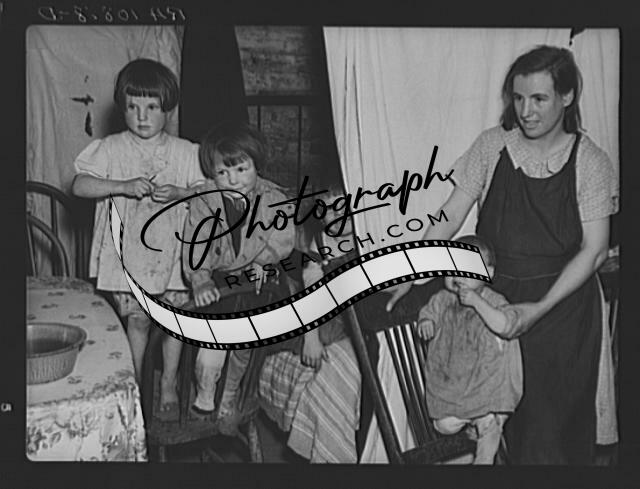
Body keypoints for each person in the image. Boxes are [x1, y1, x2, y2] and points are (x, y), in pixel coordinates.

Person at [385, 45, 618, 464]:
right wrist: (412, 272)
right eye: (519, 97)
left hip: (561, 313)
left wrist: (537, 310)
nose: (526, 111)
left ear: (567, 96)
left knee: (549, 445)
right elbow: (450, 214)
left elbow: (595, 251)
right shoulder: (493, 146)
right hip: (491, 306)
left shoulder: (591, 162)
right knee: (491, 433)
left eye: (539, 98)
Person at [71, 58, 205, 418]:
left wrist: (180, 192)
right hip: (130, 254)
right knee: (139, 320)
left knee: (175, 321)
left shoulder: (186, 152)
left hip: (173, 252)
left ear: (168, 109)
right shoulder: (111, 148)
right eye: (133, 107)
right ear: (122, 107)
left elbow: (210, 193)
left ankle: (169, 383)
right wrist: (122, 186)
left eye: (152, 107)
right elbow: (79, 185)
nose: (142, 117)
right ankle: (135, 385)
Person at [181, 122, 296, 431]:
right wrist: (200, 279)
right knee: (212, 349)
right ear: (212, 173)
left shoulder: (273, 198)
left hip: (255, 283)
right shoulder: (205, 201)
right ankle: (206, 392)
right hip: (219, 283)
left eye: (242, 169)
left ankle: (229, 395)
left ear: (257, 165)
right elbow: (196, 245)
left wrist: (264, 261)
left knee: (244, 347)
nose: (233, 180)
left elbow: (283, 238)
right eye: (223, 172)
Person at [258, 180, 362, 463]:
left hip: (356, 316)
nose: (337, 217)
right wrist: (311, 339)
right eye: (328, 211)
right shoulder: (320, 247)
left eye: (342, 208)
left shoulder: (365, 237)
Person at [416, 235, 521, 465]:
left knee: (490, 421)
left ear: (488, 273)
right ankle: (470, 426)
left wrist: (476, 302)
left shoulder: (494, 300)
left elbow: (506, 323)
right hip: (452, 384)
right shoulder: (442, 299)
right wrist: (426, 322)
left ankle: (483, 459)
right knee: (442, 425)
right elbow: (428, 312)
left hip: (483, 383)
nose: (458, 277)